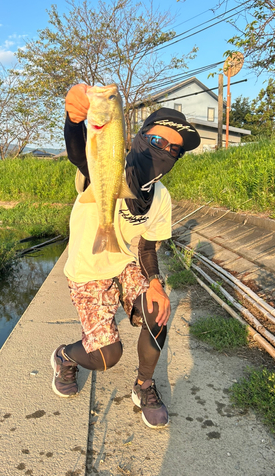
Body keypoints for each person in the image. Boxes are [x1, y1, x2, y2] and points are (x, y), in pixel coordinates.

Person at [51, 84, 201, 429]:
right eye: (158, 142)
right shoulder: (106, 167)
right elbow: (79, 153)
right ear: (137, 137)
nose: (165, 152)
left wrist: (156, 283)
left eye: (174, 151)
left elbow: (147, 248)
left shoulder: (160, 196)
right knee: (107, 355)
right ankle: (64, 356)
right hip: (88, 271)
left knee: (158, 310)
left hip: (123, 263)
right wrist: (74, 120)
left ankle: (143, 386)